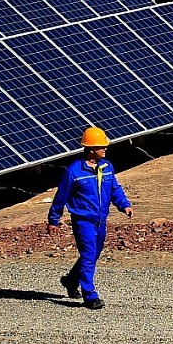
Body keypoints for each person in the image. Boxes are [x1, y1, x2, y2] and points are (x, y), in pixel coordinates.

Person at [48, 126, 133, 309]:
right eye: (101, 146)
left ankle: (71, 281)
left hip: (101, 221)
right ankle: (90, 295)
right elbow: (61, 196)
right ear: (91, 148)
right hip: (83, 221)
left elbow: (114, 189)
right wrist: (53, 220)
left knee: (93, 254)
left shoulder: (106, 167)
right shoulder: (74, 171)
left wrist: (124, 205)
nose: (105, 148)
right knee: (88, 255)